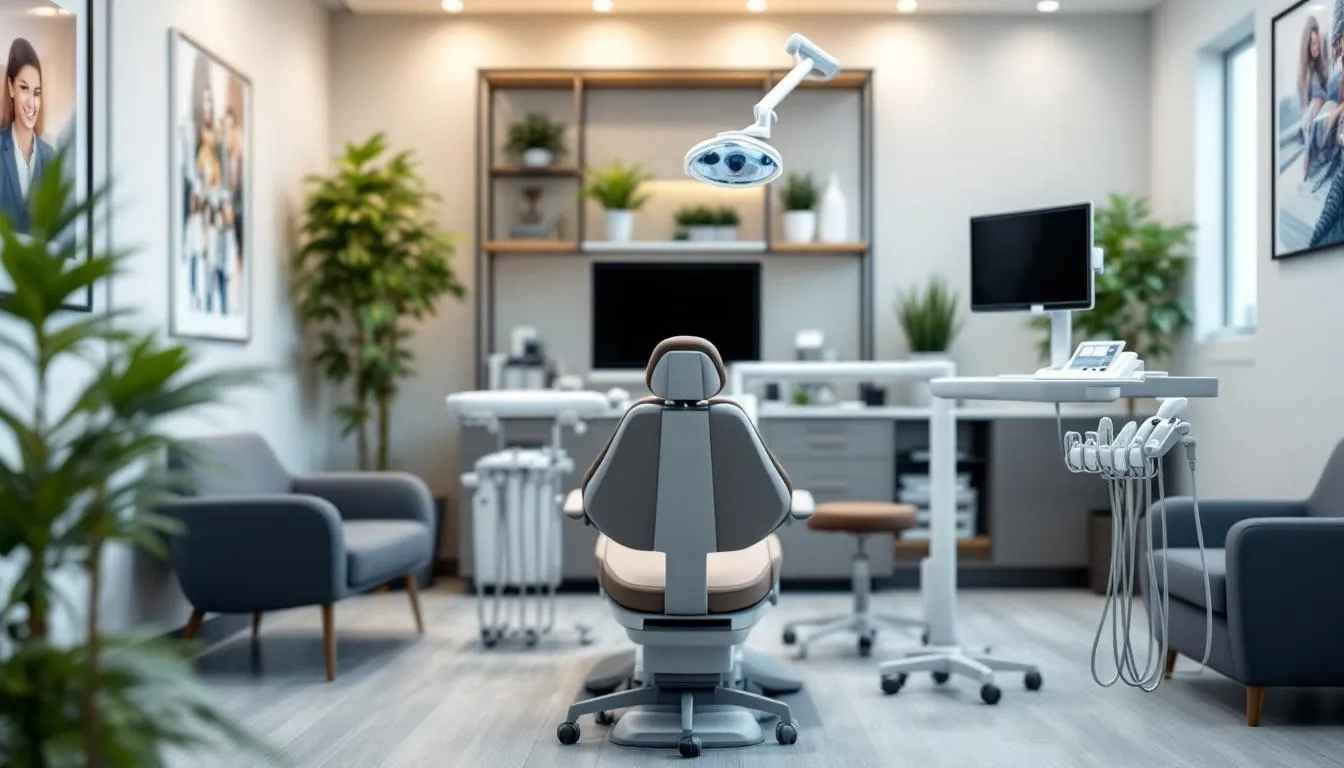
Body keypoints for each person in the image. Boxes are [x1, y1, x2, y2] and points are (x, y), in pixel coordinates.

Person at [0, 38, 54, 233]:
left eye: (36, 92)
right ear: (11, 87)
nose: (32, 103)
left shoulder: (50, 158)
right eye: (24, 88)